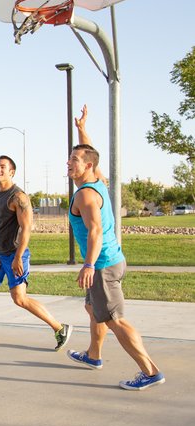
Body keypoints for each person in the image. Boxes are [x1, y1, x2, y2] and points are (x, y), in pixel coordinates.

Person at [66, 106, 164, 390]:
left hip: (103, 264)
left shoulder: (85, 194)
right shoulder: (97, 181)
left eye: (74, 160)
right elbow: (90, 153)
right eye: (69, 158)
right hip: (110, 260)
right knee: (92, 308)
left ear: (87, 166)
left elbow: (95, 230)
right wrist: (82, 128)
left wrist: (88, 265)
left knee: (115, 320)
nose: (69, 163)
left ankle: (150, 371)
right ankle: (94, 355)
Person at [0, 155, 72, 350]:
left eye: (3, 167)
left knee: (19, 298)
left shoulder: (18, 197)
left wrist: (18, 256)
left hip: (15, 254)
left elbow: (27, 228)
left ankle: (60, 328)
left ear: (12, 172)